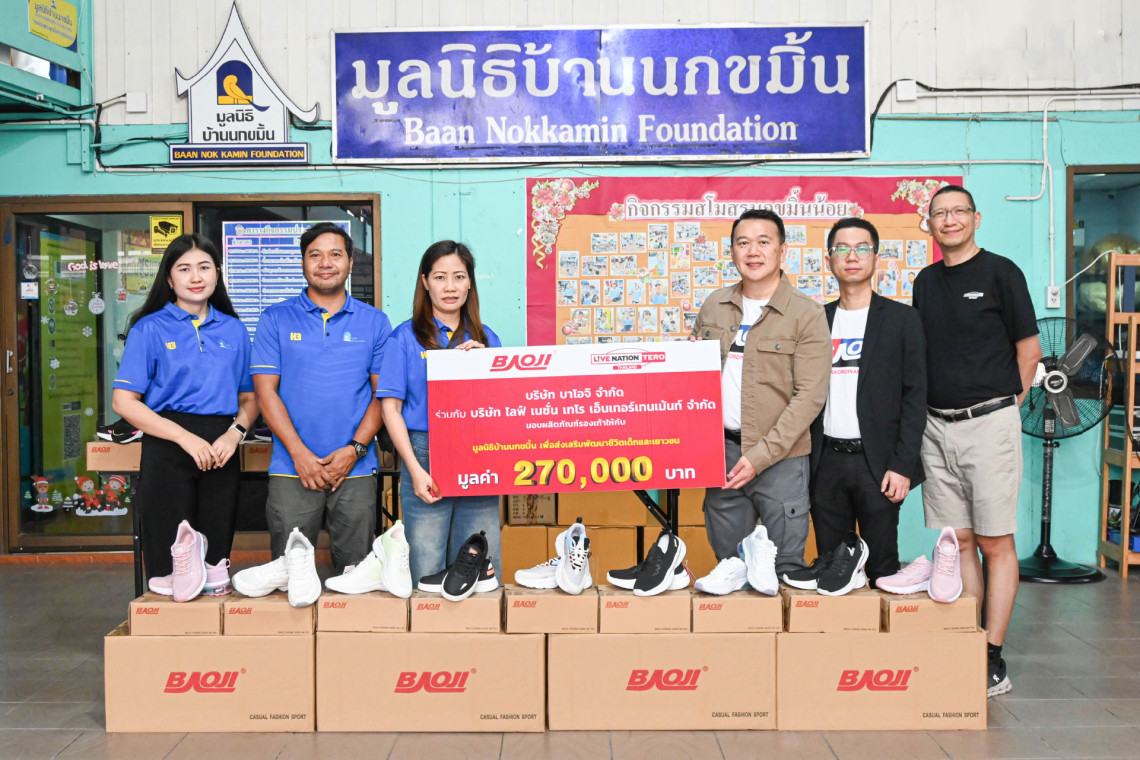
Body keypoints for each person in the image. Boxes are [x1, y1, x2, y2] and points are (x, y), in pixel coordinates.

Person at [913, 185, 1042, 698]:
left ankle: (992, 655)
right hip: (935, 426)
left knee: (994, 541)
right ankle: (968, 640)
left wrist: (1006, 406)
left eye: (958, 212)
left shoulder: (1001, 273)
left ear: (976, 218)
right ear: (929, 223)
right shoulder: (925, 282)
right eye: (940, 214)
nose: (949, 220)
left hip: (989, 424)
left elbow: (1029, 350)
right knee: (959, 540)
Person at [233, 222, 392, 605]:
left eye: (335, 254)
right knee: (290, 574)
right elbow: (265, 392)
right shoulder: (275, 319)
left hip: (355, 468)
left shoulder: (374, 322)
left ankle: (348, 640)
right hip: (291, 467)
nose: (325, 263)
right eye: (315, 255)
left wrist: (354, 449)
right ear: (303, 262)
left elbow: (382, 394)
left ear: (350, 263)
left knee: (356, 573)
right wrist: (300, 455)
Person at [112, 233, 257, 600]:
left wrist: (235, 433)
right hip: (167, 444)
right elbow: (124, 402)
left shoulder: (234, 330)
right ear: (169, 278)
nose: (196, 277)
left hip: (221, 446)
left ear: (217, 274)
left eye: (204, 267)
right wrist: (184, 437)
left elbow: (250, 398)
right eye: (184, 268)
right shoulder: (149, 328)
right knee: (170, 568)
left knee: (214, 567)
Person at [692, 209, 831, 575]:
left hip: (782, 460)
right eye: (743, 243)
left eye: (763, 242)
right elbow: (697, 380)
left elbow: (810, 397)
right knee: (729, 569)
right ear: (732, 252)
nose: (753, 251)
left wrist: (760, 456)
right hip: (721, 455)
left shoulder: (806, 314)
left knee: (784, 569)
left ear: (782, 251)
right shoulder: (714, 306)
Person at [794, 218, 927, 592]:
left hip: (879, 464)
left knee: (882, 571)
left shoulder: (902, 320)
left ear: (876, 257)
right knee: (831, 568)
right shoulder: (815, 320)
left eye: (861, 248)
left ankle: (880, 631)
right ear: (829, 260)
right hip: (825, 462)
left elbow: (915, 397)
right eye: (842, 249)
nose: (851, 257)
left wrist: (902, 465)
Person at [377, 241, 503, 588]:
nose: (450, 287)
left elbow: (500, 408)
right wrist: (415, 470)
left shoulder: (487, 338)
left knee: (480, 561)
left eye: (459, 277)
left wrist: (484, 364)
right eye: (440, 277)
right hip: (424, 452)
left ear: (470, 283)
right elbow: (390, 408)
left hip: (478, 453)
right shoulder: (404, 338)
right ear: (425, 282)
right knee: (426, 564)